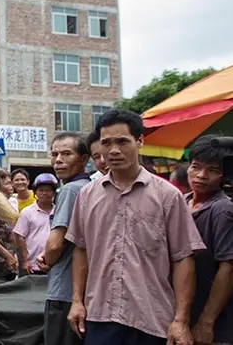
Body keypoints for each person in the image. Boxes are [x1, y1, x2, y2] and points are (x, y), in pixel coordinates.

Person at [66, 109, 205, 345]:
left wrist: (180, 320)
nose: (113, 150)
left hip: (152, 318)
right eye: (106, 143)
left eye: (122, 141)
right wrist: (77, 301)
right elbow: (81, 248)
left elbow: (183, 257)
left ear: (140, 141)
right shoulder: (87, 195)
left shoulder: (168, 196)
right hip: (100, 315)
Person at [37, 132, 91, 345]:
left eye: (66, 154)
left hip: (64, 291)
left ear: (84, 159)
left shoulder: (70, 191)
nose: (58, 160)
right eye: (55, 154)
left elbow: (56, 243)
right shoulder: (92, 187)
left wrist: (47, 259)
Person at [183, 136, 233, 345]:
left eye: (213, 170)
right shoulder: (182, 201)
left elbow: (228, 268)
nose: (201, 175)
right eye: (196, 167)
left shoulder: (222, 209)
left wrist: (206, 321)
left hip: (213, 322)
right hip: (184, 312)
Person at [13, 173, 57, 275]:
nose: (44, 193)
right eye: (41, 190)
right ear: (35, 192)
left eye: (48, 190)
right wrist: (25, 261)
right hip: (33, 265)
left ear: (54, 193)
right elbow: (19, 236)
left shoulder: (59, 211)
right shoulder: (27, 212)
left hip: (55, 264)